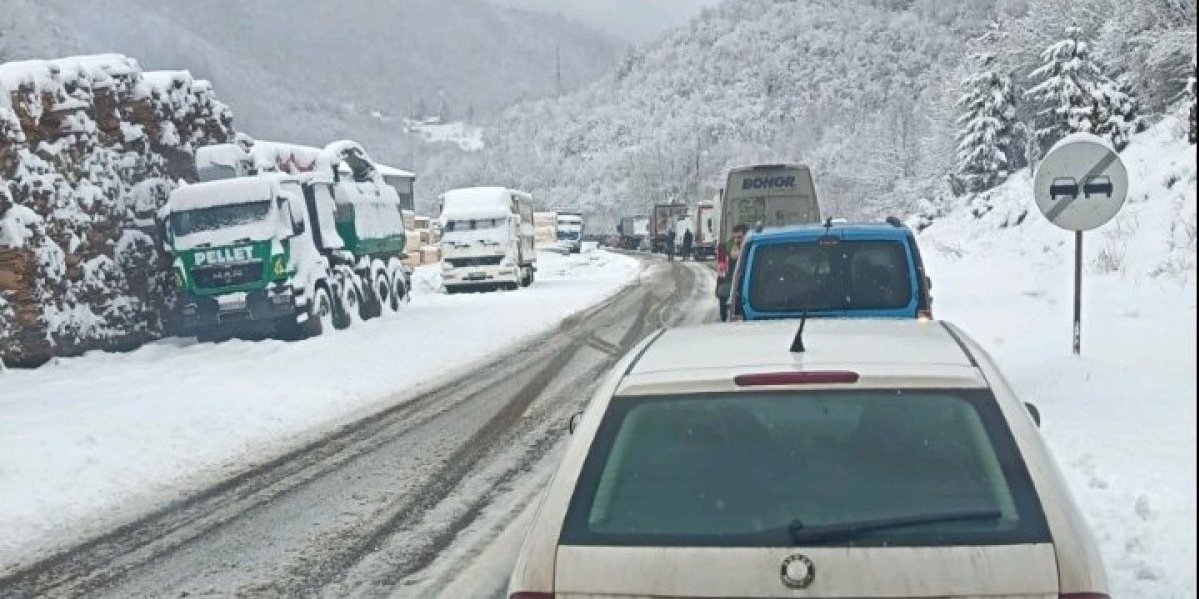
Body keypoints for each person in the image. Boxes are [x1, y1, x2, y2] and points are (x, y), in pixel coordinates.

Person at [718, 224, 750, 321]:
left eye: (739, 237)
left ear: (747, 236)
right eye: (735, 238)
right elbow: (723, 268)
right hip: (734, 287)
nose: (736, 241)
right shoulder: (730, 250)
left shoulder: (752, 250)